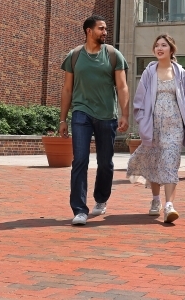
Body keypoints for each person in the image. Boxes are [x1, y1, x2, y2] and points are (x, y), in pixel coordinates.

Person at [60, 15, 129, 226]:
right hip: (81, 113)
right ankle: (80, 209)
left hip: (107, 116)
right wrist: (63, 119)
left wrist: (124, 114)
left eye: (106, 28)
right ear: (89, 31)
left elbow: (122, 87)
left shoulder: (113, 55)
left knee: (105, 163)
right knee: (80, 160)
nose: (105, 32)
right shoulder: (74, 56)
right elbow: (67, 89)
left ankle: (101, 199)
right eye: (101, 28)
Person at [127, 34, 185, 223]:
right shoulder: (149, 72)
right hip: (153, 127)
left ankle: (169, 206)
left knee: (170, 164)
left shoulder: (180, 72)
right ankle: (156, 200)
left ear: (171, 49)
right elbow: (139, 101)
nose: (159, 48)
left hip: (174, 128)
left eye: (163, 45)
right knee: (155, 162)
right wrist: (142, 121)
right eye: (157, 45)